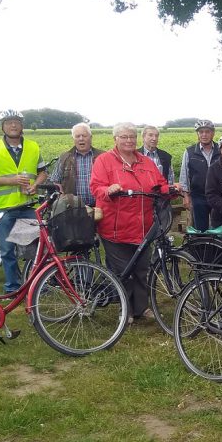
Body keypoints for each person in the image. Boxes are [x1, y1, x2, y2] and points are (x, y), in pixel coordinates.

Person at [90, 124, 171, 324]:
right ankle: (125, 309)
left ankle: (141, 307)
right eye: (124, 137)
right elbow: (96, 186)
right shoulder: (104, 160)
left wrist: (171, 188)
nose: (129, 140)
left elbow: (159, 183)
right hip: (115, 227)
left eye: (132, 137)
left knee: (142, 268)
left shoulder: (146, 161)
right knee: (123, 270)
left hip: (144, 226)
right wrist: (108, 190)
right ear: (115, 139)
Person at [0, 109, 48, 293]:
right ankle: (12, 287)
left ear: (22, 125)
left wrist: (36, 185)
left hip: (27, 206)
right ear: (3, 126)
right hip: (4, 208)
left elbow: (43, 172)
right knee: (7, 250)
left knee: (32, 249)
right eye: (9, 122)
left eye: (16, 122)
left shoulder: (33, 147)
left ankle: (36, 285)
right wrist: (11, 181)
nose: (13, 125)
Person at [49, 122, 104, 207]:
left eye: (84, 136)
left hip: (99, 207)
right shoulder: (64, 157)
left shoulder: (103, 156)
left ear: (91, 137)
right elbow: (55, 180)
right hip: (73, 209)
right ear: (73, 139)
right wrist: (62, 196)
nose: (81, 139)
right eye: (77, 136)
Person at [179, 120, 220, 231]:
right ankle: (202, 248)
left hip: (218, 196)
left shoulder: (221, 150)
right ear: (197, 134)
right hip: (198, 197)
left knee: (218, 228)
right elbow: (185, 175)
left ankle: (218, 248)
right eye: (201, 132)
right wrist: (186, 197)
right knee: (200, 228)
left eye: (207, 131)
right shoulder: (190, 151)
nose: (204, 135)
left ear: (213, 133)